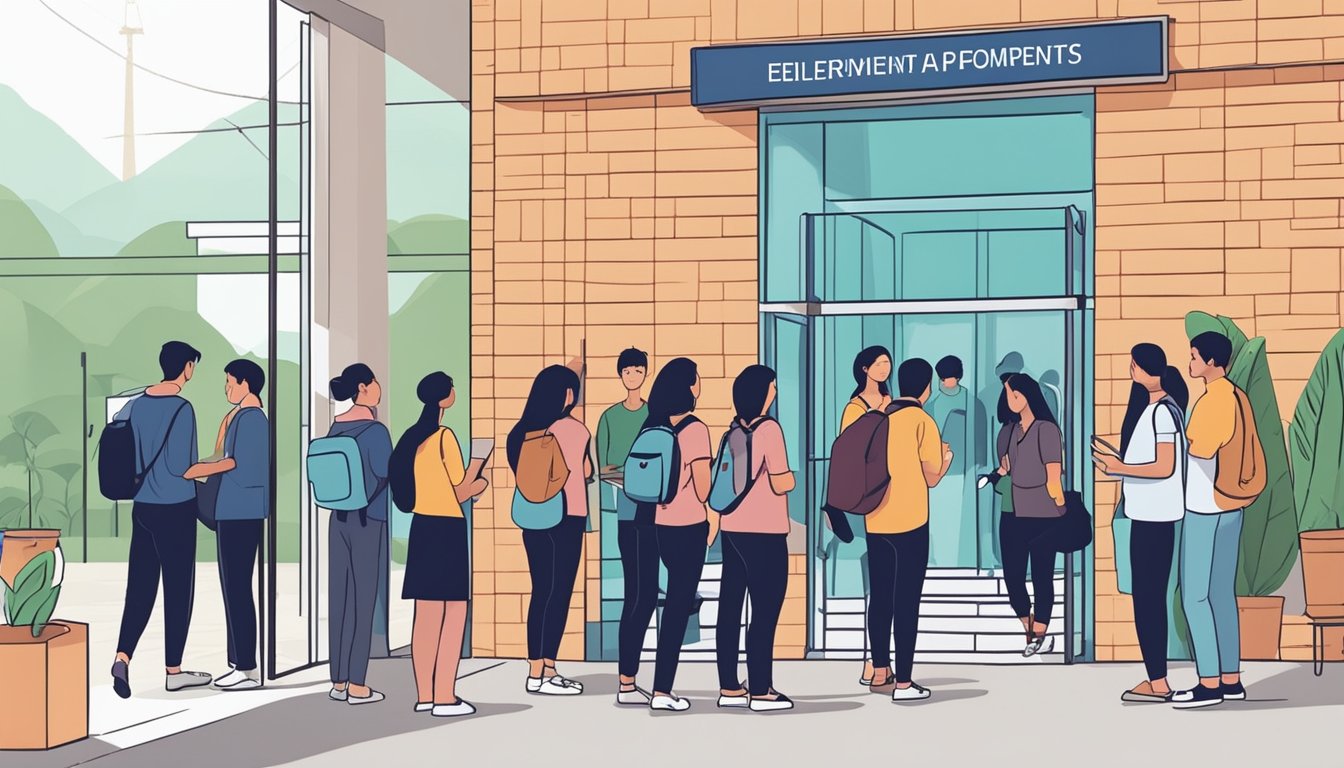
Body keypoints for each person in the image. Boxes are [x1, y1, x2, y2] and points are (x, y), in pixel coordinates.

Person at [110, 341, 210, 699]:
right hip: (176, 509)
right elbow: (184, 468)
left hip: (144, 508)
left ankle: (123, 656)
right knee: (178, 589)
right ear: (185, 367)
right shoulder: (182, 408)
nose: (192, 371)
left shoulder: (135, 406)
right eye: (192, 365)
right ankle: (174, 671)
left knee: (139, 587)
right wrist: (221, 465)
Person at [1092, 344, 1189, 703]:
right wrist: (1119, 461)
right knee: (1147, 598)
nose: (1130, 370)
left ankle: (1158, 682)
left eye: (1133, 364)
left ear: (1146, 368)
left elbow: (1165, 467)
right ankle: (1156, 678)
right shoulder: (1159, 410)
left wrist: (1119, 469)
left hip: (1153, 518)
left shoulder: (1162, 413)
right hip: (1148, 516)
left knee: (1147, 600)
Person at [390, 372, 487, 717]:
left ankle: (425, 695)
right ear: (446, 397)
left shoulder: (412, 438)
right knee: (454, 612)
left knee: (426, 616)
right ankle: (446, 697)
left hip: (422, 529)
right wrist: (480, 474)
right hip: (447, 529)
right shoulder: (444, 436)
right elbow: (459, 489)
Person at [860, 358, 951, 701]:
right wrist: (946, 460)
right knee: (906, 601)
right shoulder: (922, 421)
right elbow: (930, 477)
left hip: (876, 519)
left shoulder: (881, 419)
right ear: (927, 388)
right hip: (911, 522)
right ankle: (904, 683)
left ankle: (881, 671)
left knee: (880, 597)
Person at [1173, 331, 1248, 709]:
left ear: (1211, 362)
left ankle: (1208, 683)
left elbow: (1200, 447)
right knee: (1221, 594)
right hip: (1232, 507)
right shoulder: (1237, 395)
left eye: (1193, 357)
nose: (1189, 363)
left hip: (1205, 506)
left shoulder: (1213, 399)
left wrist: (1182, 441)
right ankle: (1231, 679)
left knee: (1196, 597)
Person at [184, 359, 270, 691]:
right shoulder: (240, 418)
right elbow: (223, 456)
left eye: (231, 382)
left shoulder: (252, 419)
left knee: (237, 588)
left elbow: (236, 462)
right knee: (232, 588)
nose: (227, 388)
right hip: (232, 510)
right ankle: (238, 663)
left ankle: (247, 666)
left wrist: (194, 472)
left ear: (247, 384)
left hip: (242, 512)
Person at [716, 365, 796, 713]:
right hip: (765, 533)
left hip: (732, 527)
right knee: (764, 612)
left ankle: (729, 688)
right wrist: (792, 478)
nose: (776, 392)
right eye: (773, 387)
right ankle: (761, 690)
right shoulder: (769, 429)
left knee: (730, 608)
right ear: (762, 393)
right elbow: (780, 482)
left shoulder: (732, 431)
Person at [509, 365, 590, 696]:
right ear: (568, 395)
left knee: (540, 590)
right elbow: (584, 471)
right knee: (560, 592)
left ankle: (534, 671)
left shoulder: (519, 432)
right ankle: (549, 669)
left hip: (533, 517)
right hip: (568, 515)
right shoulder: (574, 430)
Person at [644, 357, 713, 712]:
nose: (700, 383)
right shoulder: (696, 429)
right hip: (689, 526)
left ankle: (660, 687)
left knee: (672, 603)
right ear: (689, 386)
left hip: (660, 523)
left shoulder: (654, 424)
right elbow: (703, 489)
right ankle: (662, 690)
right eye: (697, 378)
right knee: (676, 607)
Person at [595, 348, 660, 706]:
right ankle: (626, 679)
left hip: (656, 515)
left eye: (639, 371)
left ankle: (629, 678)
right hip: (627, 515)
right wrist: (633, 475)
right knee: (636, 593)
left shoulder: (656, 414)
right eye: (628, 371)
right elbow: (601, 467)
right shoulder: (609, 417)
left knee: (646, 593)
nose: (633, 376)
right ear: (620, 376)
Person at [326, 363, 392, 705]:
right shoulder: (375, 431)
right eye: (375, 382)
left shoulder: (335, 428)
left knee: (340, 599)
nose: (380, 387)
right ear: (364, 388)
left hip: (337, 520)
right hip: (368, 521)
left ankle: (338, 681)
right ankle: (357, 684)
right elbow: (386, 472)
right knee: (363, 601)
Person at [997, 372, 1066, 658]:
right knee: (1013, 577)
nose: (1011, 399)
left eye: (1015, 393)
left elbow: (1054, 475)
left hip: (1043, 515)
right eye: (1008, 394)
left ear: (1029, 394)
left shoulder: (1046, 429)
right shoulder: (1007, 432)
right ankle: (1030, 628)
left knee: (1042, 577)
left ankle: (1039, 633)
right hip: (1012, 512)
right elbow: (1005, 469)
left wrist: (1061, 506)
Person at [840, 346, 892, 688]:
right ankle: (872, 660)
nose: (885, 368)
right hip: (863, 503)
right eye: (879, 363)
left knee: (884, 588)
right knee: (874, 589)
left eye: (888, 363)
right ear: (864, 368)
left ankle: (877, 662)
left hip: (889, 499)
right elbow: (847, 453)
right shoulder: (854, 408)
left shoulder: (892, 402)